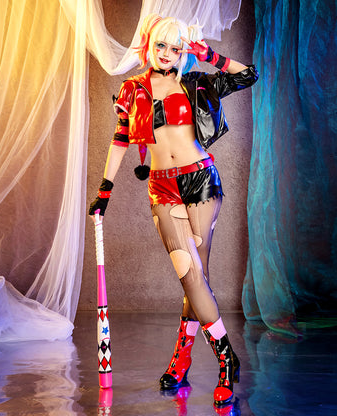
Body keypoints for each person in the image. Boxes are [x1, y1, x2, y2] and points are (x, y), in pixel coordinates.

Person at [89, 13, 258, 407]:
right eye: (161, 45)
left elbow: (247, 75)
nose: (167, 53)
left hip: (201, 181)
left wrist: (207, 55)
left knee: (196, 279)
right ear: (149, 45)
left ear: (184, 50)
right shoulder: (132, 89)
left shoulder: (194, 81)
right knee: (191, 274)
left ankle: (182, 361)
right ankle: (226, 358)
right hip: (162, 188)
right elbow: (120, 139)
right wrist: (105, 190)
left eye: (175, 47)